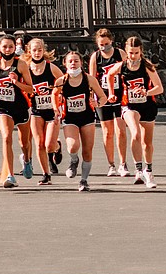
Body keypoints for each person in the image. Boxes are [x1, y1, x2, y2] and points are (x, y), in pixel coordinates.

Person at [108, 36, 164, 189]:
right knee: (135, 134)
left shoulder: (147, 67)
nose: (133, 56)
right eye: (130, 53)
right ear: (126, 52)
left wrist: (146, 92)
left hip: (147, 105)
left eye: (136, 53)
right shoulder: (122, 66)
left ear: (141, 52)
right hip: (129, 105)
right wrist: (111, 93)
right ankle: (138, 169)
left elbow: (160, 88)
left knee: (147, 143)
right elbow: (109, 75)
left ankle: (148, 170)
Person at [0, 35, 35, 189]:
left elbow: (31, 88)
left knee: (24, 142)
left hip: (21, 107)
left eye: (11, 47)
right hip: (3, 107)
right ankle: (11, 175)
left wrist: (16, 82)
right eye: (5, 46)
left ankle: (27, 160)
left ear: (15, 48)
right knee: (7, 137)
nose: (7, 50)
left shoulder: (20, 65)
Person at [54, 50, 107, 192]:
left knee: (87, 151)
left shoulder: (89, 79)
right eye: (70, 61)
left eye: (76, 61)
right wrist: (56, 109)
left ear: (81, 63)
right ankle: (73, 160)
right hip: (70, 117)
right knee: (72, 146)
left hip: (87, 117)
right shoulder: (61, 81)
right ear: (65, 63)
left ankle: (84, 180)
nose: (73, 63)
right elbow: (54, 94)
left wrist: (98, 104)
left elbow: (103, 97)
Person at [89, 29, 129, 178]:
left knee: (121, 130)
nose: (104, 47)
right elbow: (92, 79)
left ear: (111, 41)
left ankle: (123, 164)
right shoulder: (96, 57)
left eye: (106, 44)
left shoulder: (120, 54)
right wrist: (93, 98)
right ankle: (111, 164)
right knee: (107, 132)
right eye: (101, 44)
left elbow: (127, 73)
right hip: (103, 96)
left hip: (119, 95)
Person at [25, 38, 63, 185]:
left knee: (49, 145)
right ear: (29, 51)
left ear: (44, 51)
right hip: (36, 110)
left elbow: (63, 81)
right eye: (34, 50)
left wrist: (56, 92)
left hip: (52, 110)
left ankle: (57, 146)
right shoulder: (27, 69)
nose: (37, 53)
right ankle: (46, 174)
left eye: (39, 50)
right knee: (40, 144)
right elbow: (22, 86)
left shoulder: (51, 67)